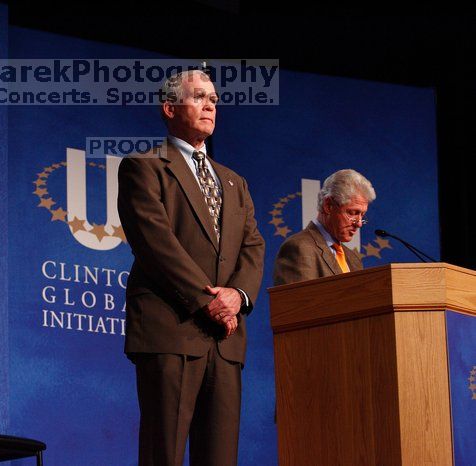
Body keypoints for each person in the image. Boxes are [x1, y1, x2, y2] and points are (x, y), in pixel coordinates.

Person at [117, 70, 265, 466]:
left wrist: (238, 296)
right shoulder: (143, 167)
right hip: (172, 329)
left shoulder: (235, 183)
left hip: (226, 338)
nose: (211, 104)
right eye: (199, 96)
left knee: (220, 457)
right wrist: (207, 300)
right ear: (170, 108)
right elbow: (155, 243)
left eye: (213, 98)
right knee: (163, 454)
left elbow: (253, 246)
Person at [273, 169, 376, 286]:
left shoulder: (353, 259)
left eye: (362, 215)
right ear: (328, 206)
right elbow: (299, 303)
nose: (359, 223)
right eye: (352, 213)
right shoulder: (300, 248)